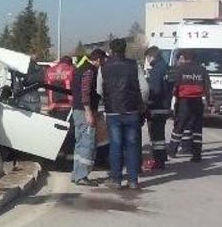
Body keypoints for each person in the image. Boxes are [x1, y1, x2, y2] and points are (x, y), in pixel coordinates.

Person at [98, 38, 149, 189]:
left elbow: (99, 89)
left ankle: (116, 179)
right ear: (125, 49)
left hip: (113, 111)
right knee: (132, 145)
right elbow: (145, 89)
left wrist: (107, 99)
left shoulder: (104, 67)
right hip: (131, 110)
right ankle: (133, 180)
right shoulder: (134, 65)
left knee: (116, 145)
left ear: (111, 51)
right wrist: (141, 104)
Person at [168, 50, 213, 162]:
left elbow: (174, 87)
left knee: (179, 126)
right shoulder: (202, 70)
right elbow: (208, 88)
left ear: (185, 57)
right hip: (197, 102)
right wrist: (210, 103)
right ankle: (197, 155)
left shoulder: (180, 69)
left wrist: (172, 99)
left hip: (184, 101)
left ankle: (172, 151)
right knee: (197, 128)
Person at [70, 49, 106, 185]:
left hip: (77, 110)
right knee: (88, 144)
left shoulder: (79, 69)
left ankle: (76, 174)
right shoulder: (90, 71)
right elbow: (85, 92)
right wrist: (88, 112)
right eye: (102, 61)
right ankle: (82, 176)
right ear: (98, 60)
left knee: (80, 144)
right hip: (84, 111)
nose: (102, 64)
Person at [142, 46, 172, 171]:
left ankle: (159, 161)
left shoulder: (156, 70)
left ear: (151, 56)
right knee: (160, 135)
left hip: (156, 107)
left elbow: (154, 90)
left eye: (148, 58)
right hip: (165, 106)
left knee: (156, 137)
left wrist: (146, 103)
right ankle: (162, 157)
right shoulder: (167, 68)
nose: (147, 61)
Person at [44, 56, 75, 120]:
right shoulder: (73, 70)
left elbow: (45, 86)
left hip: (52, 106)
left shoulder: (48, 70)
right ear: (70, 63)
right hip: (68, 106)